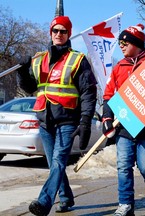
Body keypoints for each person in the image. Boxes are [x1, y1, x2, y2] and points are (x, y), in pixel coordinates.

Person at [17, 16, 97, 215]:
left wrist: (85, 121)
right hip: (45, 120)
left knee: (58, 162)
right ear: (50, 33)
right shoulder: (38, 59)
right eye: (55, 31)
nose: (59, 34)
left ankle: (44, 202)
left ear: (69, 34)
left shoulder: (77, 59)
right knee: (54, 164)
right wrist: (23, 72)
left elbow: (88, 92)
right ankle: (67, 198)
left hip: (68, 120)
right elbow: (30, 89)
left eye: (63, 31)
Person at [102, 24, 145, 216]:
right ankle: (125, 204)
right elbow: (109, 94)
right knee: (124, 165)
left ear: (136, 42)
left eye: (124, 42)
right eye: (120, 42)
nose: (121, 45)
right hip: (125, 125)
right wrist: (107, 116)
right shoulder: (119, 66)